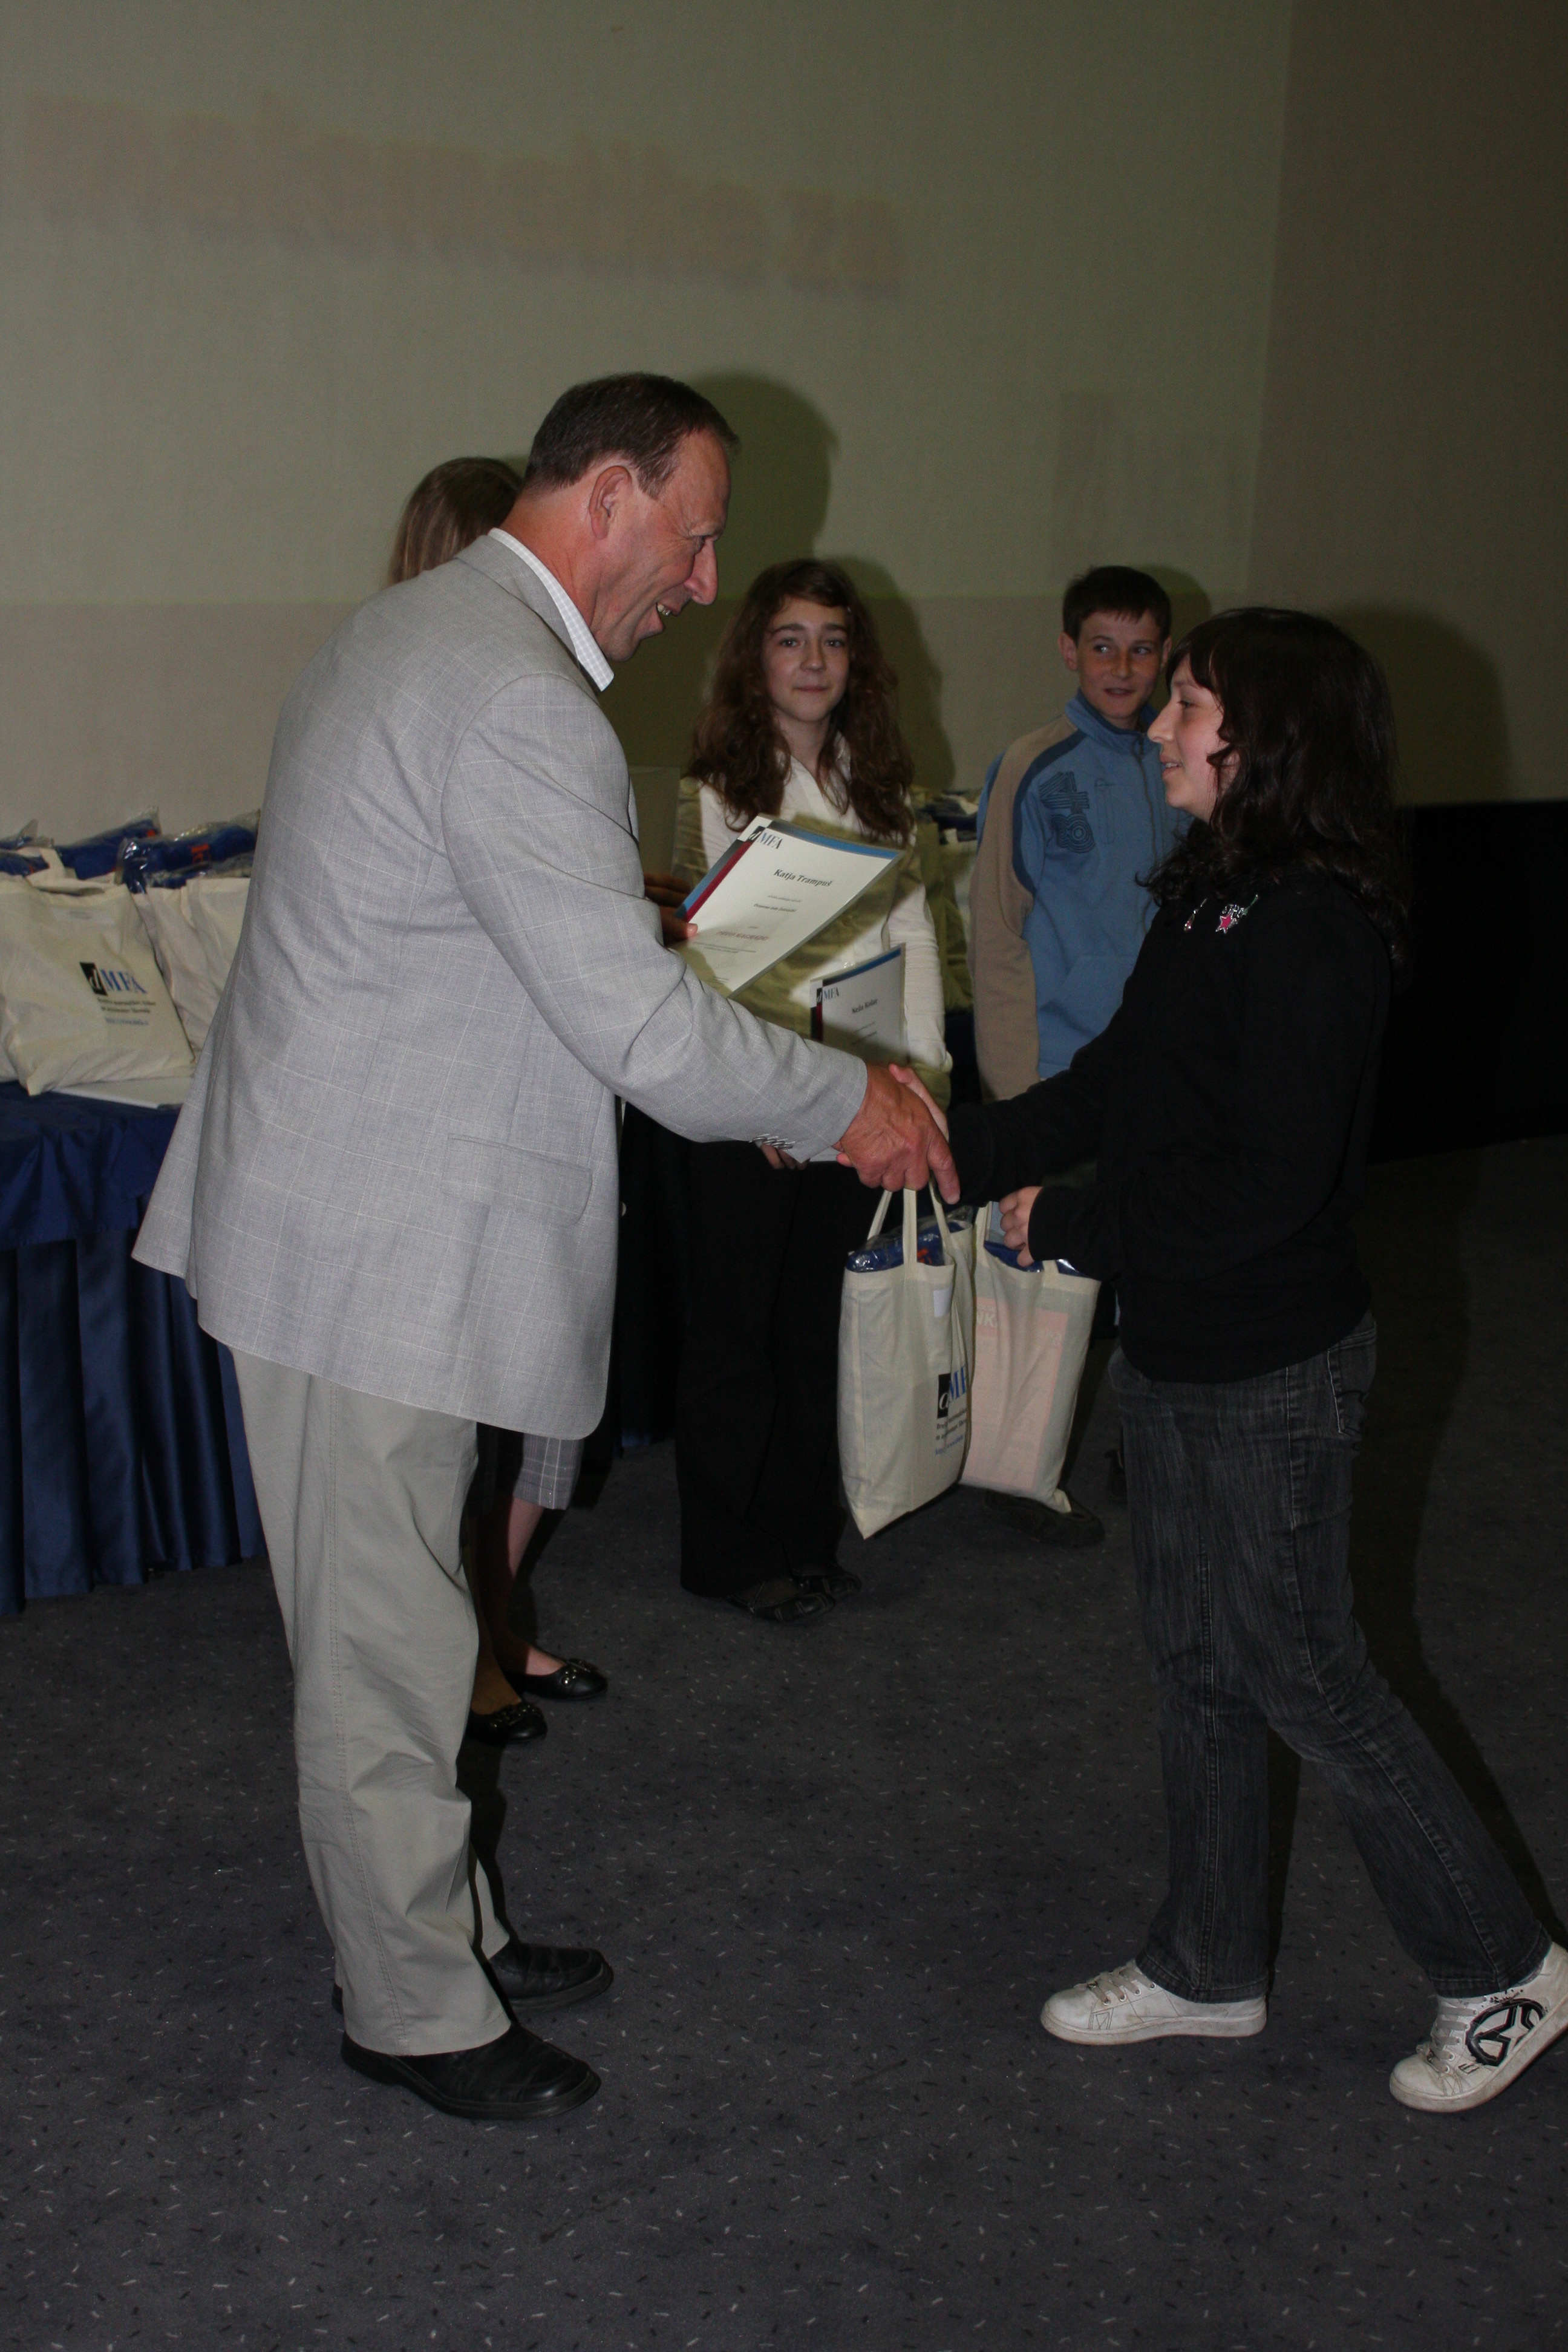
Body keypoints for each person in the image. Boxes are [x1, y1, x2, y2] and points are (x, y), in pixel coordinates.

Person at [134, 373, 956, 2128]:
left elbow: (497, 954)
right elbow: (636, 1030)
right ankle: (413, 2009)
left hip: (348, 1216)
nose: (704, 578)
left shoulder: (418, 635)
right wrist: (847, 1104)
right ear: (607, 499)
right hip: (366, 1248)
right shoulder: (514, 696)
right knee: (382, 1651)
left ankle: (448, 1928)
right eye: (695, 535)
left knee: (411, 1621)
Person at [924, 608, 1566, 2112]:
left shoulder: (1315, 929)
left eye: (1191, 704)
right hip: (1181, 1344)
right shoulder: (1214, 895)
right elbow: (1113, 1085)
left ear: (1267, 737)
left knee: (1305, 1671)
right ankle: (1210, 1963)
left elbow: (1269, 1191)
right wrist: (951, 1149)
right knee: (1199, 1663)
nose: (1159, 724)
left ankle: (1505, 1970)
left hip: (1273, 1369)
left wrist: (1074, 1228)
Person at [671, 560, 952, 1622]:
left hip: (858, 1097)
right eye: (790, 638)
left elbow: (911, 931)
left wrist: (921, 1078)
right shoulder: (712, 790)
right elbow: (710, 966)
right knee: (735, 1334)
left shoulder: (878, 786)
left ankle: (802, 1534)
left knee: (816, 1329)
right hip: (747, 1106)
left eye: (833, 639)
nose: (813, 660)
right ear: (756, 656)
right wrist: (761, 1103)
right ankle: (728, 1552)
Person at [386, 456, 609, 1747]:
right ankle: (468, 1649)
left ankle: (497, 1616)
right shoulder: (446, 695)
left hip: (539, 1126)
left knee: (534, 1416)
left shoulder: (524, 692)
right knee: (453, 1443)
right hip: (453, 1153)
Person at [967, 564, 1179, 1543]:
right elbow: (997, 932)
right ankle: (1015, 1475)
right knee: (1046, 1280)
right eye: (1102, 647)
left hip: (1158, 1074)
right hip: (1059, 1072)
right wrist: (1019, 1094)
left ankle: (1150, 1446)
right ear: (1068, 651)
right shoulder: (1034, 764)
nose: (1121, 668)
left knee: (1155, 1261)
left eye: (1141, 650)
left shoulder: (1181, 763)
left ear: (1164, 657)